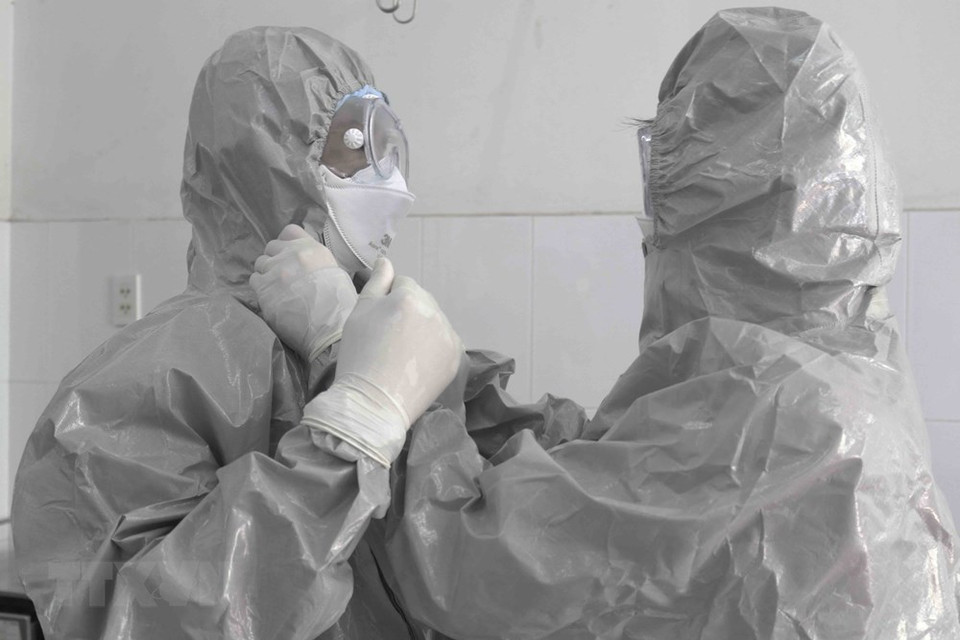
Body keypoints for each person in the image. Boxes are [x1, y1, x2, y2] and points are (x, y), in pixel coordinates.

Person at [255, 8, 960, 638]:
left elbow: (473, 566)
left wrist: (353, 362)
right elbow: (610, 474)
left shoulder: (768, 415)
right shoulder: (845, 377)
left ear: (712, 199)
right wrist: (444, 382)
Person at [11, 26, 463, 639]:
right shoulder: (142, 389)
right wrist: (352, 427)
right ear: (263, 162)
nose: (390, 184)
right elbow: (135, 622)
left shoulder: (373, 344)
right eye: (356, 145)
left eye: (389, 148)